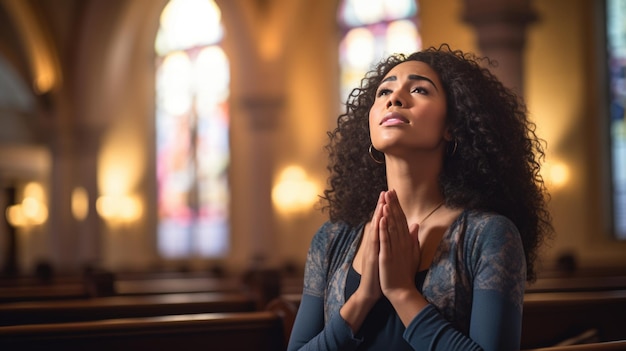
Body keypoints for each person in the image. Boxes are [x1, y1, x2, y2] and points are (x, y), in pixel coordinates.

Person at [287, 44, 553, 351]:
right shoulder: (331, 240)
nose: (395, 98)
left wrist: (402, 292)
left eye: (420, 90)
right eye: (383, 93)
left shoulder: (489, 235)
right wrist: (362, 299)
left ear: (452, 126)